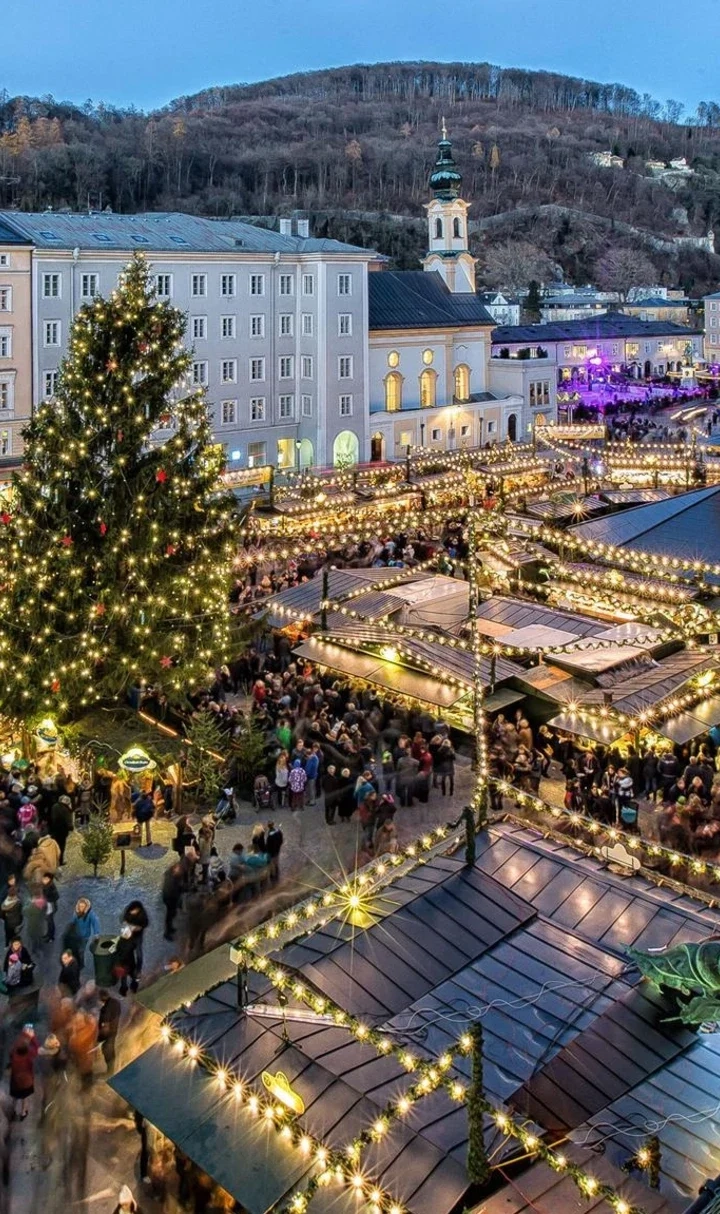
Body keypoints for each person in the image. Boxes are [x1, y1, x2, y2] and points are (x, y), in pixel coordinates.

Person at [9, 1029, 38, 1120]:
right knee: (24, 1097)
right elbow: (36, 1048)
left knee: (15, 1097)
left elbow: (13, 1049)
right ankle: (23, 1112)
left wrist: (23, 1034)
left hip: (15, 1081)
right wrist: (32, 1037)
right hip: (26, 1082)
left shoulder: (14, 1054)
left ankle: (13, 1111)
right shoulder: (29, 1055)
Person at [65, 897, 100, 970]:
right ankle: (76, 961)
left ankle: (81, 965)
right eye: (80, 906)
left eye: (83, 906)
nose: (81, 908)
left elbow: (95, 922)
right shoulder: (76, 913)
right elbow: (73, 922)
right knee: (75, 949)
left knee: (81, 951)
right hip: (76, 935)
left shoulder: (90, 914)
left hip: (85, 936)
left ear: (86, 907)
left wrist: (96, 933)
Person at [97, 988, 121, 1073]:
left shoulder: (105, 1010)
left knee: (107, 1051)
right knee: (111, 1050)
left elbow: (105, 1027)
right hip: (114, 1031)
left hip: (108, 1035)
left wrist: (99, 1039)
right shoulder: (116, 1002)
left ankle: (110, 1072)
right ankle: (112, 1069)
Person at [162, 862, 184, 940]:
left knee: (171, 915)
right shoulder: (172, 879)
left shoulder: (170, 876)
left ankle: (170, 928)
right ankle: (167, 932)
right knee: (170, 915)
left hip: (170, 898)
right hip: (170, 898)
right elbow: (175, 890)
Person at [0, 879, 23, 947]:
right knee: (14, 934)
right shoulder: (18, 902)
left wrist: (4, 918)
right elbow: (20, 912)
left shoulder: (5, 903)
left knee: (8, 934)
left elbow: (1, 913)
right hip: (16, 922)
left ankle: (7, 945)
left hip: (8, 922)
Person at [41, 872, 59, 943]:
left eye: (46, 879)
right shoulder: (46, 885)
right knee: (49, 921)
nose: (44, 880)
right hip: (48, 905)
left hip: (51, 905)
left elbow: (56, 896)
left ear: (49, 879)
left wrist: (47, 899)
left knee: (50, 921)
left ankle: (51, 937)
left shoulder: (50, 886)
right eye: (44, 878)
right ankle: (48, 934)